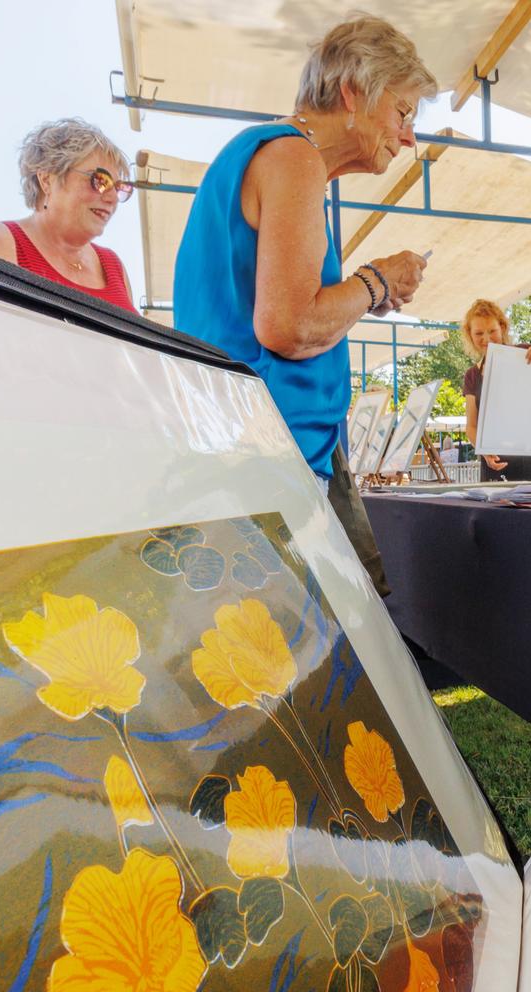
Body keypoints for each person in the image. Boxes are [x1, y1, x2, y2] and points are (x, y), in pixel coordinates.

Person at [173, 14, 435, 593]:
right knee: (309, 633)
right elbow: (290, 327)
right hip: (271, 454)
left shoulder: (266, 156)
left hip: (254, 447)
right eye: (403, 112)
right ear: (353, 91)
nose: (408, 137)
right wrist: (376, 280)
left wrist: (362, 295)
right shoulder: (293, 158)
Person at [0, 119, 138, 311]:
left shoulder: (114, 268)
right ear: (47, 180)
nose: (112, 198)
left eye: (119, 188)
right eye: (100, 181)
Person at [458, 297, 531, 482]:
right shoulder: (472, 375)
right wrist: (484, 451)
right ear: (470, 335)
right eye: (479, 333)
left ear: (502, 328)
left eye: (492, 331)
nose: (486, 339)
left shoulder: (526, 354)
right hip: (496, 463)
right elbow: (471, 426)